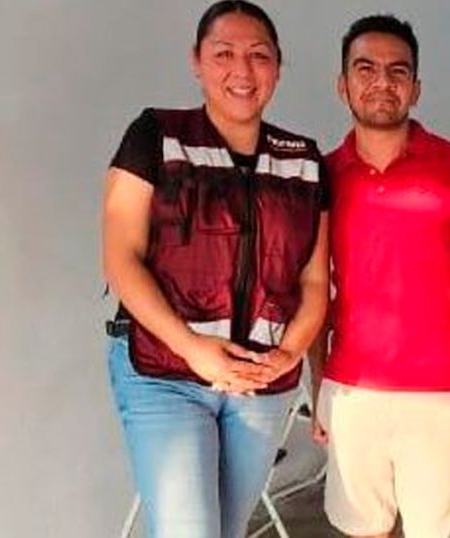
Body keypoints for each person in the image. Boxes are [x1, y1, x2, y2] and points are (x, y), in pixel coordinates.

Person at [100, 2, 329, 536]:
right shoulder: (156, 135)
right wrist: (191, 347)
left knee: (225, 530)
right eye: (223, 53)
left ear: (278, 65)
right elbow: (120, 258)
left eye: (259, 55)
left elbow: (315, 280)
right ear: (197, 62)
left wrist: (288, 355)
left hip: (261, 383)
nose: (242, 71)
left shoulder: (305, 160)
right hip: (165, 373)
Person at [309, 14, 450, 538]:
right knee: (362, 530)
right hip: (351, 390)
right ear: (342, 85)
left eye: (397, 70)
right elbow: (313, 291)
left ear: (416, 87)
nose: (382, 82)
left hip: (438, 393)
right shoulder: (320, 176)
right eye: (365, 68)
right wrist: (318, 385)